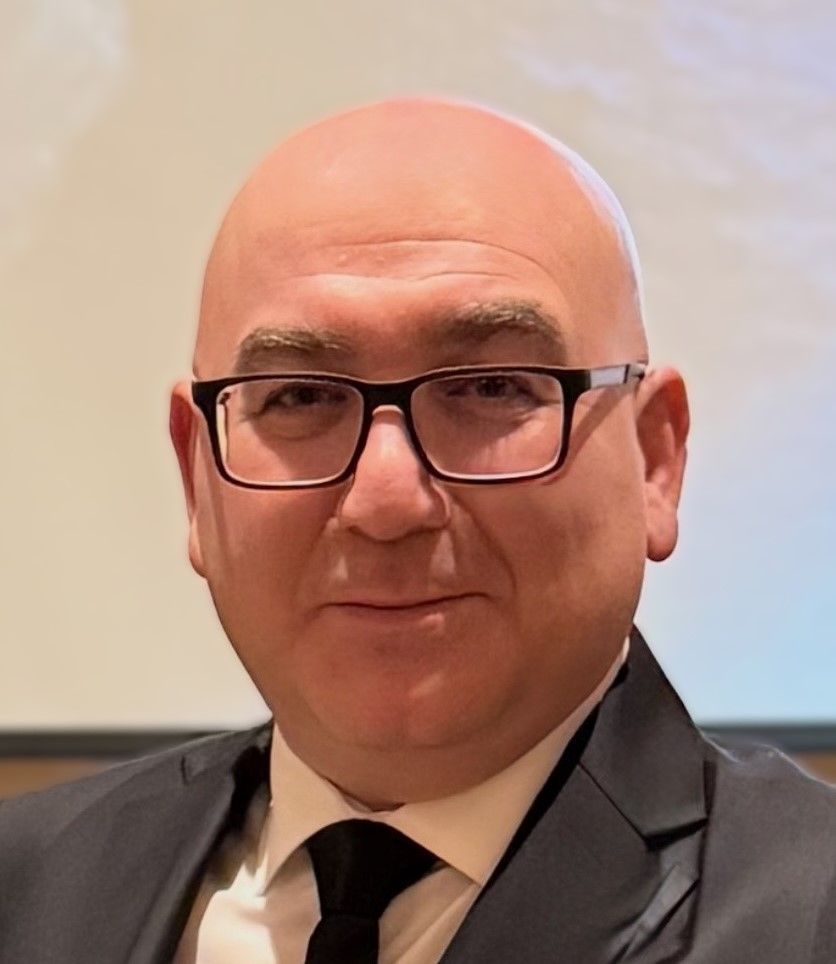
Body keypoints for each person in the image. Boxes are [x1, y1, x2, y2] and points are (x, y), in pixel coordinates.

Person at [1, 98, 834, 964]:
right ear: (196, 476)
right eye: (301, 398)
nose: (387, 500)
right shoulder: (24, 887)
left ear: (656, 459)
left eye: (490, 388)